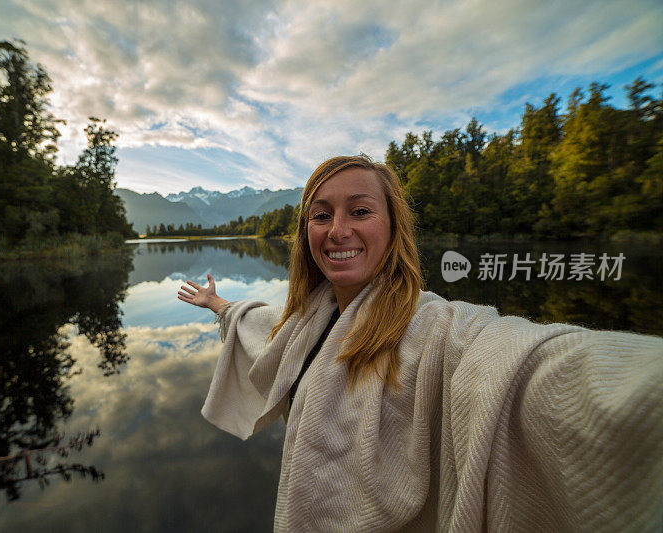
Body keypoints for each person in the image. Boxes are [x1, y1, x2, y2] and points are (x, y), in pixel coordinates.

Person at [177, 155, 663, 532]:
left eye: (360, 211)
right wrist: (220, 306)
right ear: (306, 233)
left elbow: (518, 361)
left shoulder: (436, 329)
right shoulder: (311, 319)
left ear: (392, 227)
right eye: (321, 215)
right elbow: (268, 332)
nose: (338, 230)